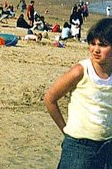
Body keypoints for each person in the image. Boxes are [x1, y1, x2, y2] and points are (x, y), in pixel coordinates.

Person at [44, 18, 111, 168]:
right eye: (92, 44)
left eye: (103, 45)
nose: (96, 50)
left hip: (108, 146)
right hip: (79, 146)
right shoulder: (81, 71)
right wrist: (65, 129)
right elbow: (50, 98)